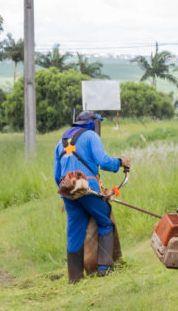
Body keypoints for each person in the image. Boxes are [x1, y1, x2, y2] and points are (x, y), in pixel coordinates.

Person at [54, 111, 130, 282]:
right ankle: (104, 269)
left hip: (68, 193)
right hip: (88, 189)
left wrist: (67, 193)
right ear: (93, 123)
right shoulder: (90, 136)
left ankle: (74, 277)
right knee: (105, 221)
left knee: (74, 231)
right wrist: (120, 162)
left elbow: (56, 174)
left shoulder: (61, 142)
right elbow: (102, 161)